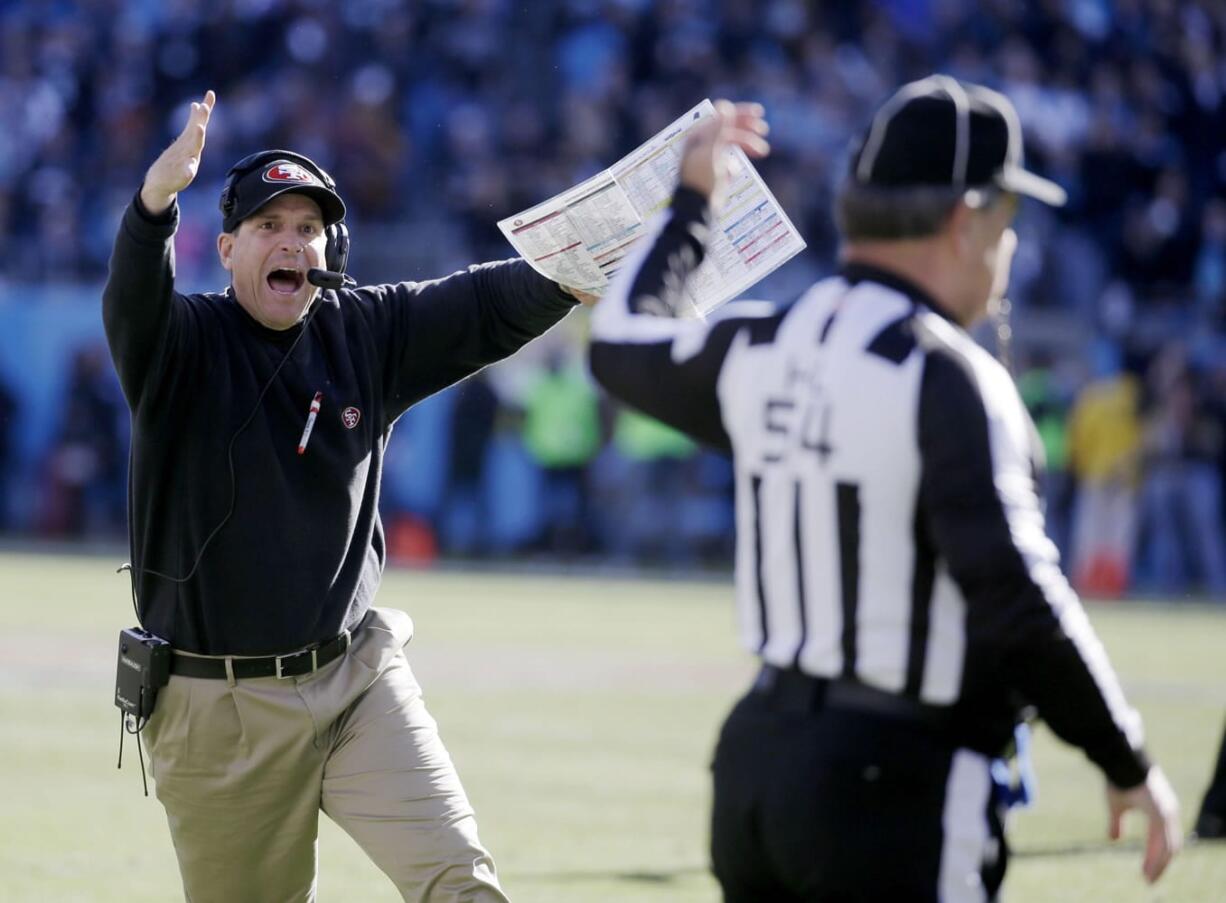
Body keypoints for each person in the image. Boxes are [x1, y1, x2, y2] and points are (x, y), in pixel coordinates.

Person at [588, 81, 1182, 901]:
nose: (1006, 253)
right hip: (897, 787)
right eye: (1005, 226)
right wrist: (1126, 757)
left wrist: (693, 204)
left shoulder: (765, 340)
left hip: (758, 766)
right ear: (964, 220)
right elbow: (1019, 599)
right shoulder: (948, 377)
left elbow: (618, 342)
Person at [102, 91, 591, 902]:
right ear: (226, 248)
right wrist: (155, 204)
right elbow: (132, 298)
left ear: (332, 248)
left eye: (308, 227)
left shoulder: (365, 329)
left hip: (356, 676)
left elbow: (485, 302)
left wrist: (585, 264)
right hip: (218, 706)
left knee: (463, 884)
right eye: (268, 226)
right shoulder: (179, 345)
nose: (292, 242)